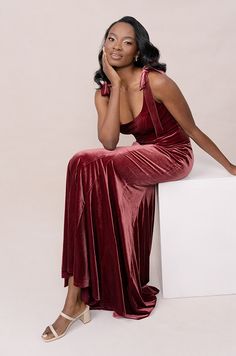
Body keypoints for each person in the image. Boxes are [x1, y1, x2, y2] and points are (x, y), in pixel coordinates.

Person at [41, 15, 236, 342]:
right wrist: (116, 86)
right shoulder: (103, 93)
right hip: (141, 155)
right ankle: (76, 296)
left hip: (173, 156)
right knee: (86, 168)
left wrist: (230, 166)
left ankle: (75, 300)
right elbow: (110, 142)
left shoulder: (157, 82)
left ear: (138, 50)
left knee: (83, 161)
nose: (117, 46)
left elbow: (191, 130)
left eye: (127, 42)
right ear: (103, 46)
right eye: (111, 39)